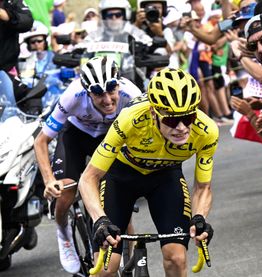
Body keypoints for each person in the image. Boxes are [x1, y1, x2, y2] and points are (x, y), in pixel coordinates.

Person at [78, 68, 217, 276]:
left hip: (165, 177)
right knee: (106, 268)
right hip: (121, 175)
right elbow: (88, 179)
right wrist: (100, 220)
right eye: (171, 120)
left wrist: (199, 218)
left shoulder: (207, 131)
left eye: (187, 118)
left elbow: (203, 187)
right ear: (154, 113)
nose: (181, 127)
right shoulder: (130, 119)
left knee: (177, 258)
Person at [33, 56, 142, 274]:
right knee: (66, 189)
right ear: (86, 91)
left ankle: (130, 258)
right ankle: (63, 232)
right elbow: (41, 141)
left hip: (110, 137)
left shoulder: (132, 94)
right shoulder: (72, 96)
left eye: (111, 89)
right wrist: (48, 180)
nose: (108, 99)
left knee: (119, 194)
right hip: (76, 136)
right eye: (98, 93)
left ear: (118, 84)